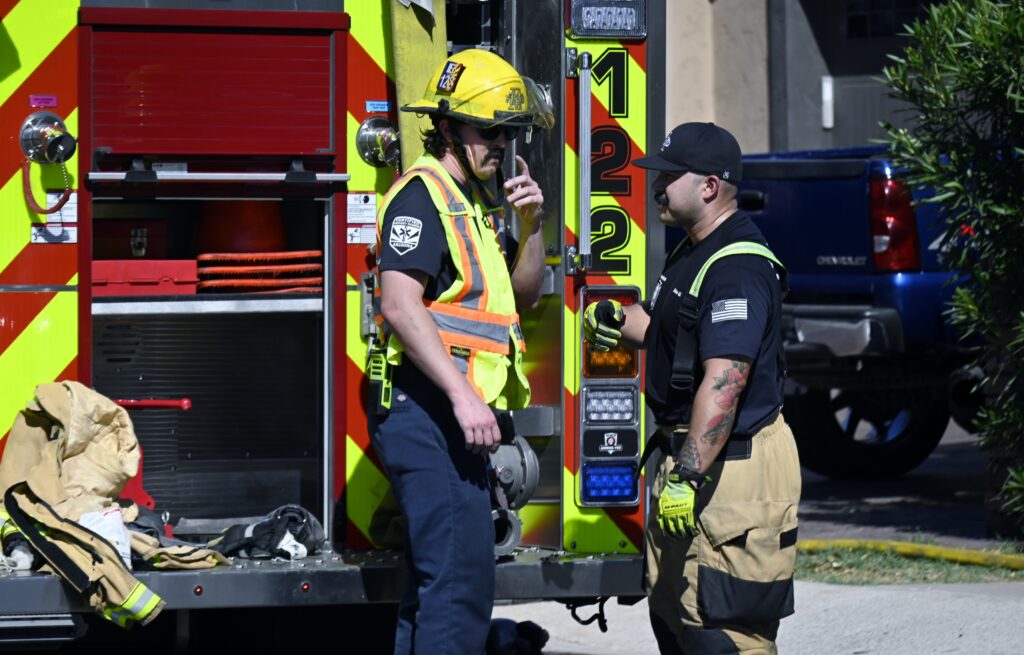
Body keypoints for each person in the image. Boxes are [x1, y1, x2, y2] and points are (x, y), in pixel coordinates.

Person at [583, 122, 801, 654]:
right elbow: (672, 330)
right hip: (694, 460)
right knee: (676, 619)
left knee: (724, 633)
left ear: (709, 186)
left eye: (669, 177)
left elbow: (726, 381)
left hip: (730, 470)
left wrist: (687, 475)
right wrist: (619, 320)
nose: (657, 186)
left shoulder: (738, 267)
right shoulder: (692, 251)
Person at [369, 48, 553, 655]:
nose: (500, 144)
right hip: (428, 412)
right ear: (447, 128)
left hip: (452, 417)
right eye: (487, 131)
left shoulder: (474, 200)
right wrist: (464, 396)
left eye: (508, 133)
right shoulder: (422, 196)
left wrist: (532, 226)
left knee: (439, 589)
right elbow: (400, 305)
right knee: (458, 589)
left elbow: (526, 294)